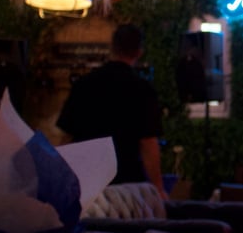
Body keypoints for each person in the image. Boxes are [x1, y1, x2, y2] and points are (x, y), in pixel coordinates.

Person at [57, 23, 168, 199]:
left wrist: (59, 180)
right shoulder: (142, 89)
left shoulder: (84, 85)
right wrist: (159, 188)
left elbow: (67, 138)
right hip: (127, 184)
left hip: (88, 181)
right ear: (139, 52)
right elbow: (148, 143)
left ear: (112, 48)